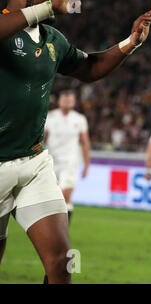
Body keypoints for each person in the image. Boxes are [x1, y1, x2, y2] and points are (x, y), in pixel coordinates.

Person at [0, 0, 151, 283]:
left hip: (33, 164)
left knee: (62, 263)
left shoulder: (53, 39)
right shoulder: (5, 29)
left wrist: (130, 42)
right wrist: (50, 7)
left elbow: (89, 67)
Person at [45, 89, 90, 224]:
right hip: (51, 161)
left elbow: (85, 142)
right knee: (52, 196)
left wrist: (87, 164)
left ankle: (64, 229)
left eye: (70, 99)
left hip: (70, 163)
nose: (68, 102)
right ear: (59, 101)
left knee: (66, 195)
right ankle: (51, 227)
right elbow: (42, 139)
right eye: (65, 99)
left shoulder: (79, 119)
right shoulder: (50, 117)